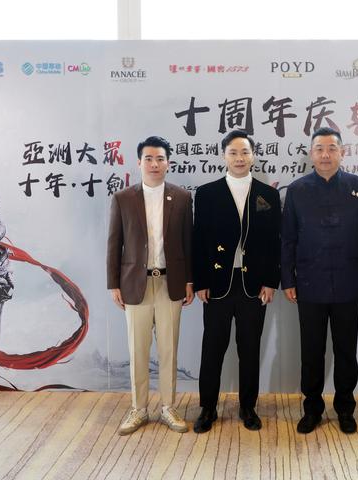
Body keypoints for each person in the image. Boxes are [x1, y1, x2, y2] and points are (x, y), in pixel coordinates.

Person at [280, 127, 358, 434]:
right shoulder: (297, 190)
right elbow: (288, 239)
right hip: (309, 284)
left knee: (346, 350)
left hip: (349, 283)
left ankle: (345, 408)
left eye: (332, 148)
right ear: (311, 154)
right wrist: (288, 279)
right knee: (311, 351)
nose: (325, 155)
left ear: (342, 153)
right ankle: (312, 409)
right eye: (319, 149)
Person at [192, 129, 281, 433]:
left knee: (250, 349)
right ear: (223, 156)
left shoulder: (268, 194)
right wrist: (200, 281)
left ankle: (248, 407)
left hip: (253, 285)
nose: (239, 158)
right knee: (212, 349)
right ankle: (207, 408)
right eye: (233, 152)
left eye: (245, 152)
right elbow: (199, 240)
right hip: (217, 284)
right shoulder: (207, 193)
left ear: (253, 156)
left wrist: (271, 282)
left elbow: (274, 243)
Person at [107, 135, 194, 435]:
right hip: (135, 284)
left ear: (168, 162)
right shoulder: (123, 198)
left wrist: (189, 280)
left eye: (160, 159)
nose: (154, 164)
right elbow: (114, 244)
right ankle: (139, 409)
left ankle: (169, 407)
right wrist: (113, 284)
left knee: (169, 349)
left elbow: (188, 242)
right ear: (139, 162)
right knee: (138, 350)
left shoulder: (181, 198)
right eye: (149, 159)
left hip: (171, 283)